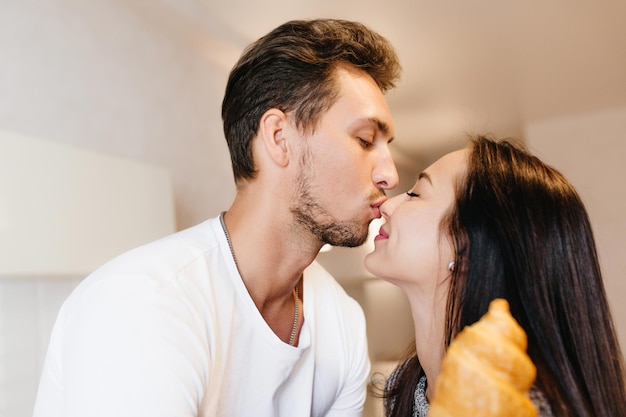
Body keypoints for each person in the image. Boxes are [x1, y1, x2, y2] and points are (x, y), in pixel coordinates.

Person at [33, 19, 401, 417]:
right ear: (280, 138)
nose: (390, 175)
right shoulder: (139, 304)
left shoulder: (341, 321)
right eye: (365, 141)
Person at [364, 136, 626, 417]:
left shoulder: (520, 405)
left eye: (416, 194)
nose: (387, 206)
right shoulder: (406, 385)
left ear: (469, 247)